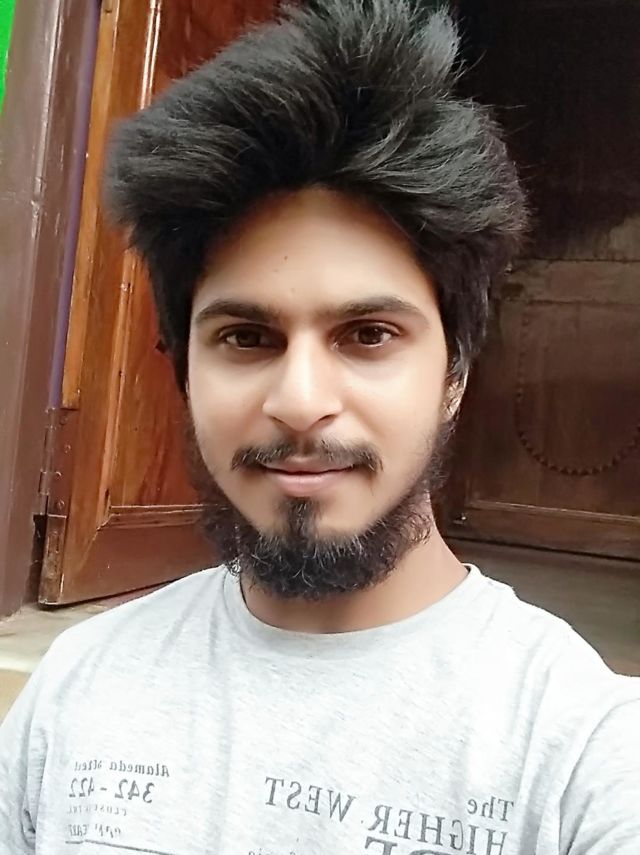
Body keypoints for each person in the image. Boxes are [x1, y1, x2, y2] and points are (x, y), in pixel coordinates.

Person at [1, 1, 638, 852]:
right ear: (185, 372)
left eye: (368, 335)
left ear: (454, 375)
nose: (300, 401)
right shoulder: (78, 689)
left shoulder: (580, 754)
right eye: (247, 337)